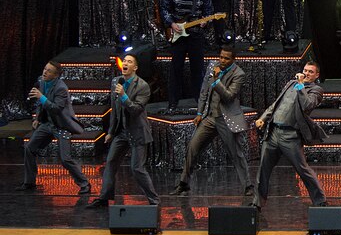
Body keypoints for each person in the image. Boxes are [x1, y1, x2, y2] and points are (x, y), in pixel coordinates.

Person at [171, 47, 253, 197]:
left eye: (226, 58)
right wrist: (199, 113)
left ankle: (248, 186)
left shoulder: (238, 74)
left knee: (236, 153)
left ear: (233, 60)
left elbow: (229, 96)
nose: (222, 60)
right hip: (210, 117)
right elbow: (204, 91)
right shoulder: (212, 66)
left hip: (226, 118)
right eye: (221, 57)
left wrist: (216, 81)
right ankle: (184, 183)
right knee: (192, 147)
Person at [87, 54, 159, 208]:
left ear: (135, 67)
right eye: (124, 61)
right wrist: (111, 132)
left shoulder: (143, 86)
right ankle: (104, 198)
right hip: (121, 132)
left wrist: (124, 96)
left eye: (129, 62)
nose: (125, 63)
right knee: (111, 162)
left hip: (137, 131)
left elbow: (136, 110)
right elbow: (115, 110)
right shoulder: (116, 82)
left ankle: (154, 200)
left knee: (137, 168)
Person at [252, 61, 327, 210]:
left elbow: (307, 105)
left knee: (302, 169)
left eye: (310, 72)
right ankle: (257, 203)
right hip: (273, 132)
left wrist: (301, 85)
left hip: (290, 135)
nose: (306, 73)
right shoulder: (290, 84)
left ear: (317, 75)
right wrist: (263, 118)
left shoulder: (316, 90)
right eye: (305, 70)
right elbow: (276, 104)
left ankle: (320, 201)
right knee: (263, 169)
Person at [18, 60, 90, 194]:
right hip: (48, 124)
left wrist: (41, 97)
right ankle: (29, 182)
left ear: (56, 75)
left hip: (61, 125)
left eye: (49, 71)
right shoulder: (41, 81)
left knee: (65, 159)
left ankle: (84, 183)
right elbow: (40, 104)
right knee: (29, 148)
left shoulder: (61, 88)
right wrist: (37, 118)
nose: (45, 72)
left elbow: (56, 109)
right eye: (45, 69)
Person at [162, 0, 214, 109]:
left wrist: (205, 21)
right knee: (175, 69)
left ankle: (200, 102)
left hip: (196, 35)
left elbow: (209, 12)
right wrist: (172, 24)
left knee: (198, 69)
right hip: (178, 35)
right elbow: (165, 10)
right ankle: (173, 102)